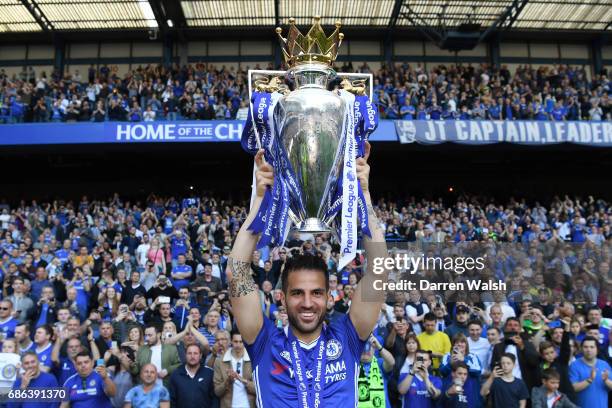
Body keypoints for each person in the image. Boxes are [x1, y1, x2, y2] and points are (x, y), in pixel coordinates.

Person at [227, 146, 389, 407]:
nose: (307, 302)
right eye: (297, 293)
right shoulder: (264, 341)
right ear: (282, 298)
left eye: (316, 293)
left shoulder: (348, 337)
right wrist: (259, 200)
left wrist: (364, 195)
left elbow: (379, 267)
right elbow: (236, 272)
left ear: (329, 297)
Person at [213, 330, 256, 408]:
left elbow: (259, 390)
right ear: (230, 342)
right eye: (235, 341)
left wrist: (243, 380)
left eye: (241, 341)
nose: (238, 345)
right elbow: (217, 392)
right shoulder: (219, 361)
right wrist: (228, 381)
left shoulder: (254, 360)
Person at [569, 336, 612, 408]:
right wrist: (589, 380)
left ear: (597, 350)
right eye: (585, 347)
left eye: (592, 347)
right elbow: (573, 388)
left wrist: (606, 381)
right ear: (581, 349)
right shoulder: (574, 365)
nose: (588, 349)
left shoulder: (604, 365)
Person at [169, 343, 217, 407]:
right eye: (189, 353)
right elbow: (172, 400)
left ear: (200, 356)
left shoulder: (209, 373)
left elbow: (215, 399)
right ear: (185, 355)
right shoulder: (176, 374)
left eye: (195, 353)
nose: (192, 356)